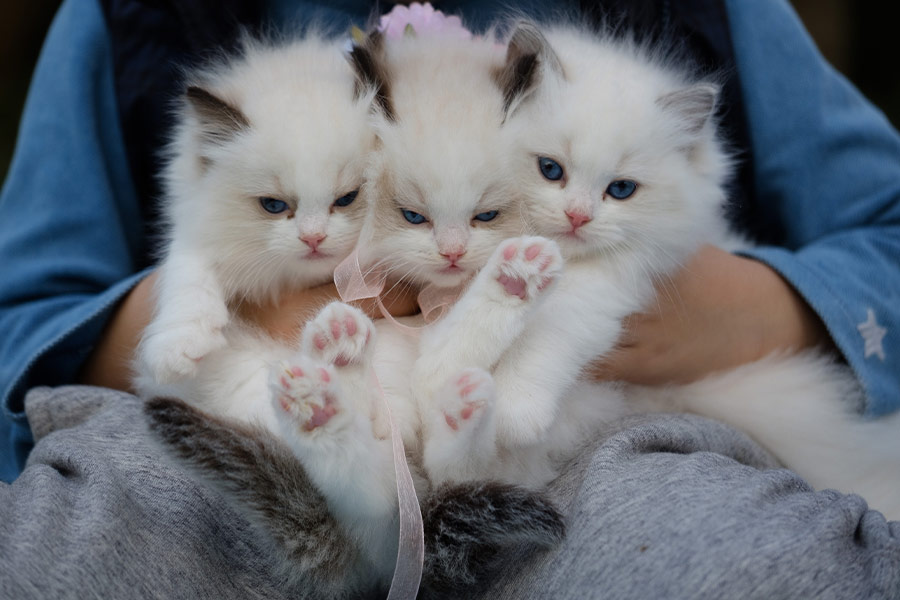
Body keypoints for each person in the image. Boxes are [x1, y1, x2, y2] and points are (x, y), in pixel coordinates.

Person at [0, 0, 898, 598]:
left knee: (758, 563)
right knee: (62, 554)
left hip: (601, 436)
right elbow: (24, 312)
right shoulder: (127, 14)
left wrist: (745, 309)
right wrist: (234, 305)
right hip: (232, 432)